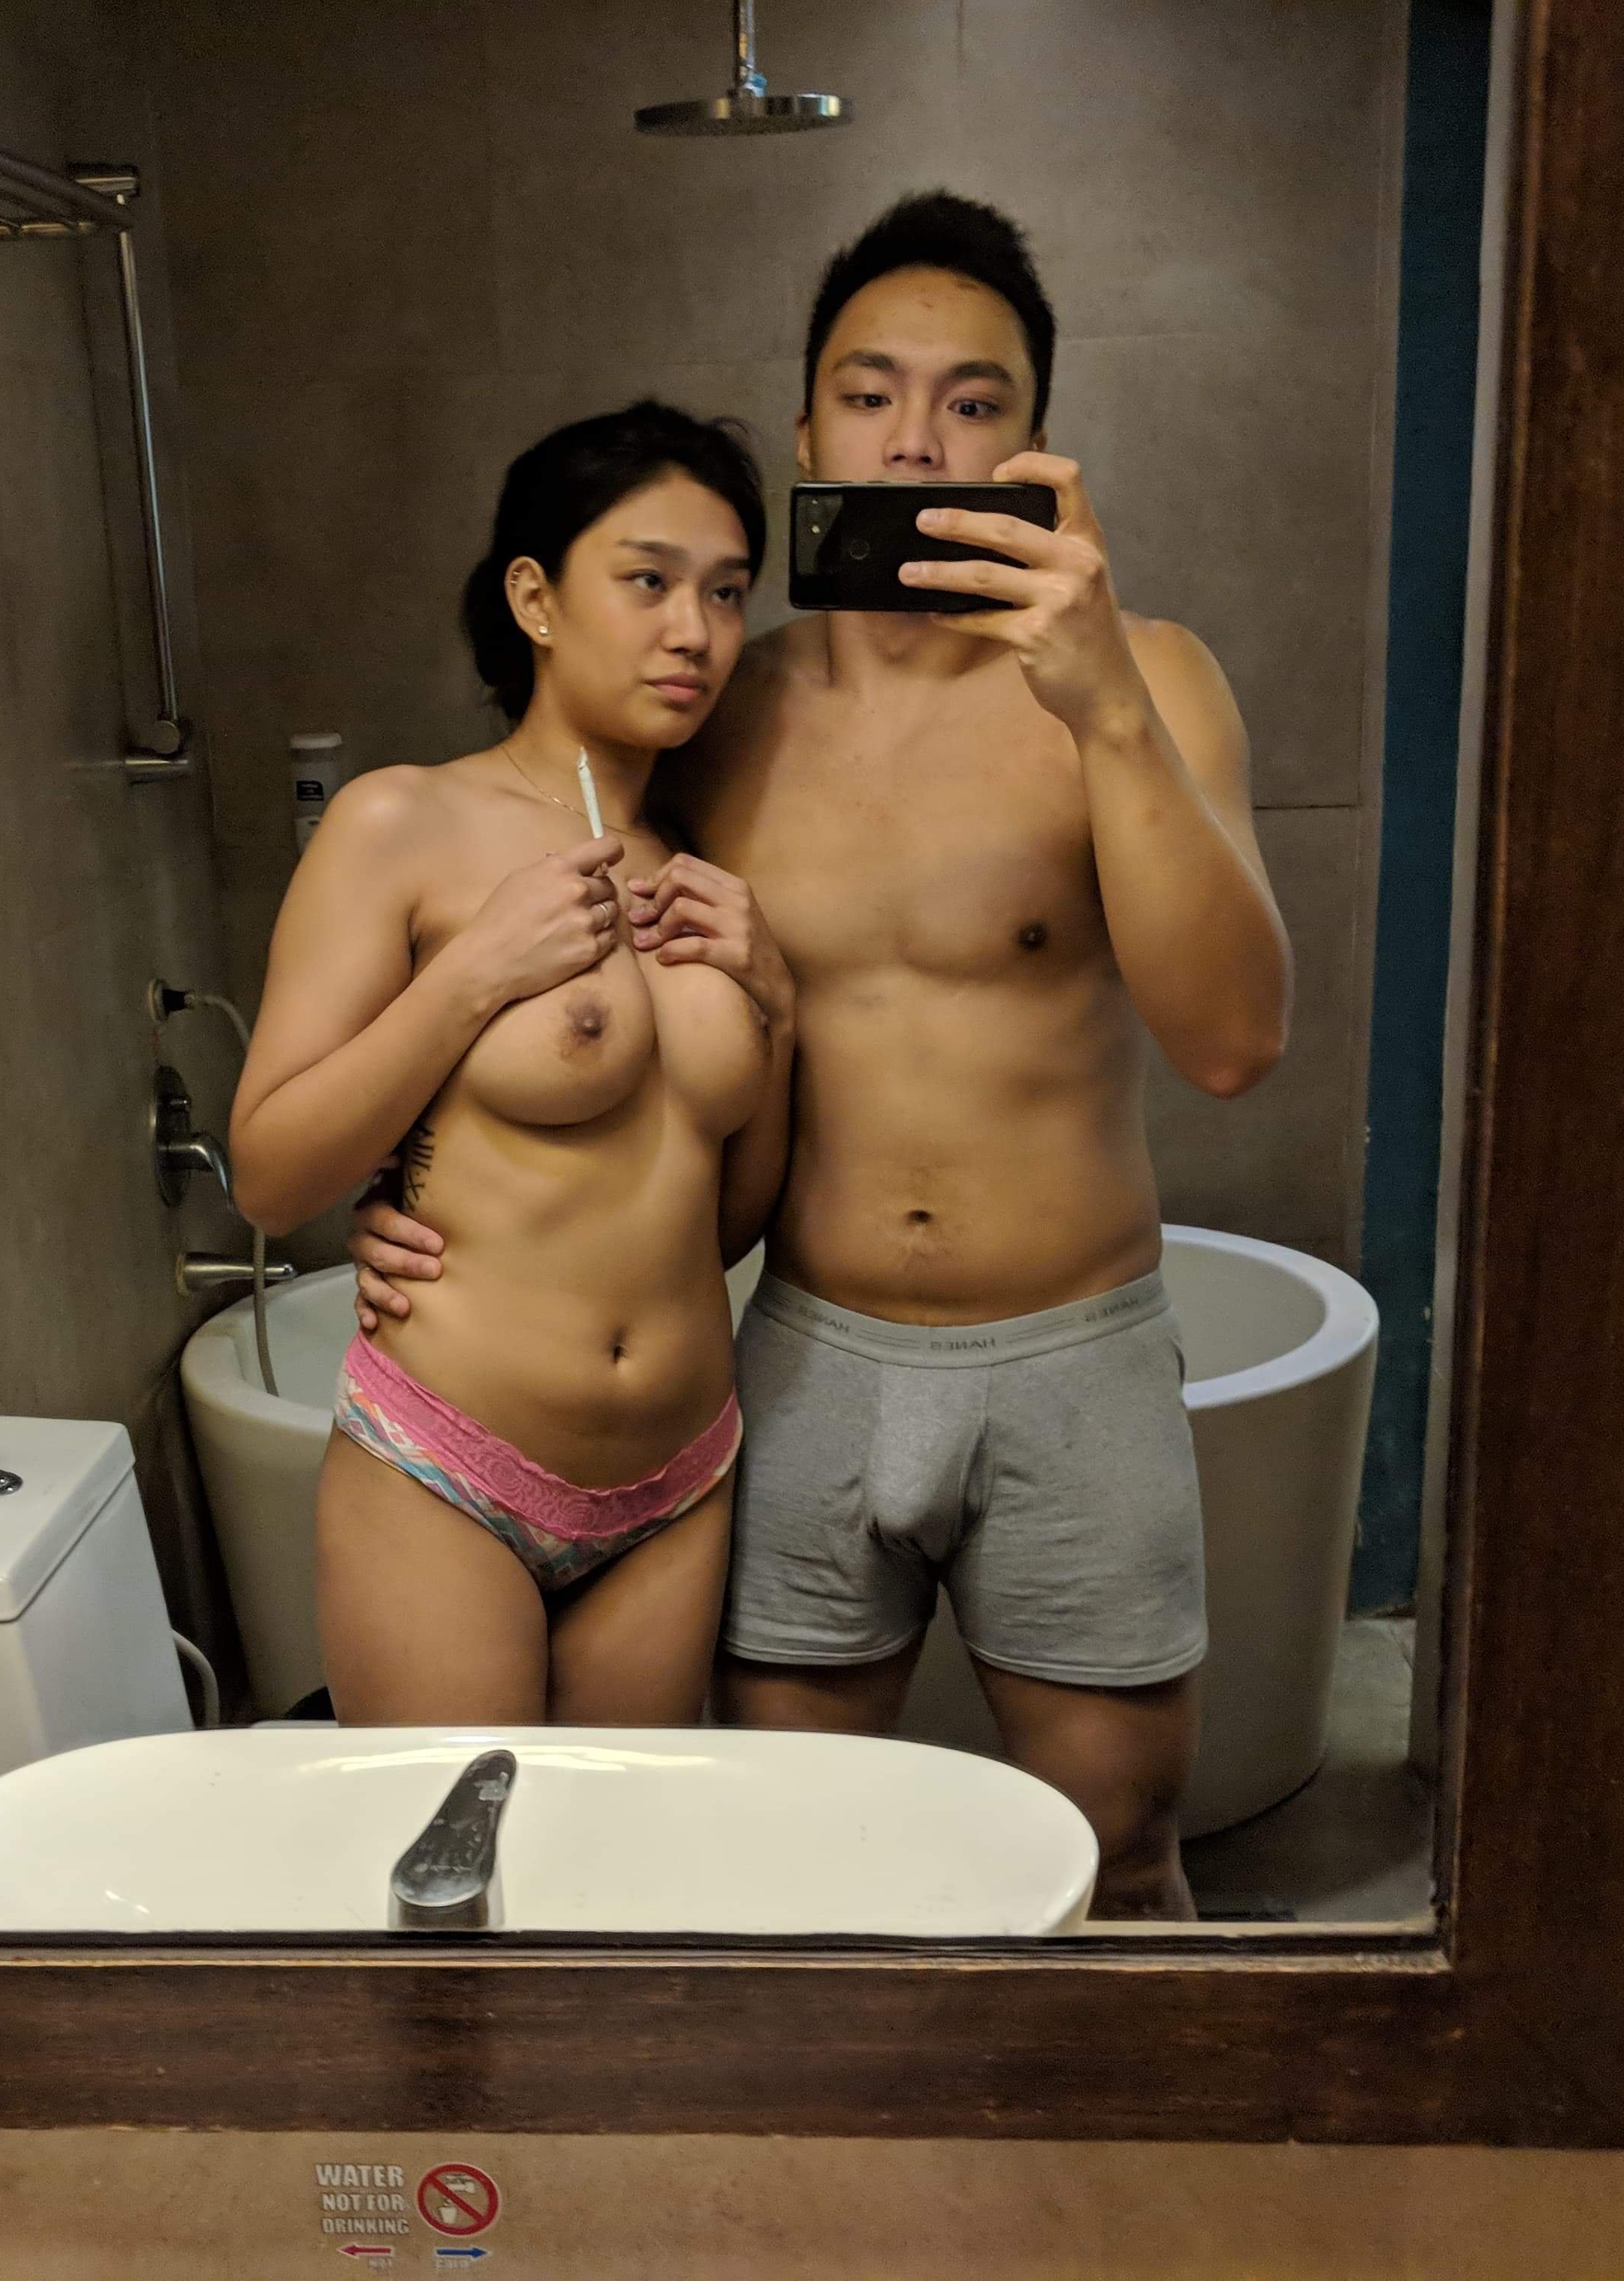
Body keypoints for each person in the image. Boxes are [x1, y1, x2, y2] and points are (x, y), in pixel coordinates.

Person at [352, 195, 1291, 1917]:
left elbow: (1234, 1039)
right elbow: (520, 951)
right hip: (806, 1353)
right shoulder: (729, 712)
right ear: (808, 432)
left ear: (1037, 443)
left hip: (1072, 1354)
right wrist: (414, 1199)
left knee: (1120, 1848)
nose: (916, 440)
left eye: (973, 401)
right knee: (791, 1871)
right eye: (870, 395)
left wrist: (1099, 704)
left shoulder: (1147, 677)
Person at [229, 402, 797, 1729]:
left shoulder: (708, 862)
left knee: (624, 1860)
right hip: (447, 1465)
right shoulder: (401, 821)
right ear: (536, 600)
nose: (695, 632)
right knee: (464, 1855)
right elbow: (268, 1176)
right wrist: (474, 974)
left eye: (726, 593)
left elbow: (725, 1218)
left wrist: (777, 1006)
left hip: (678, 1480)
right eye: (648, 581)